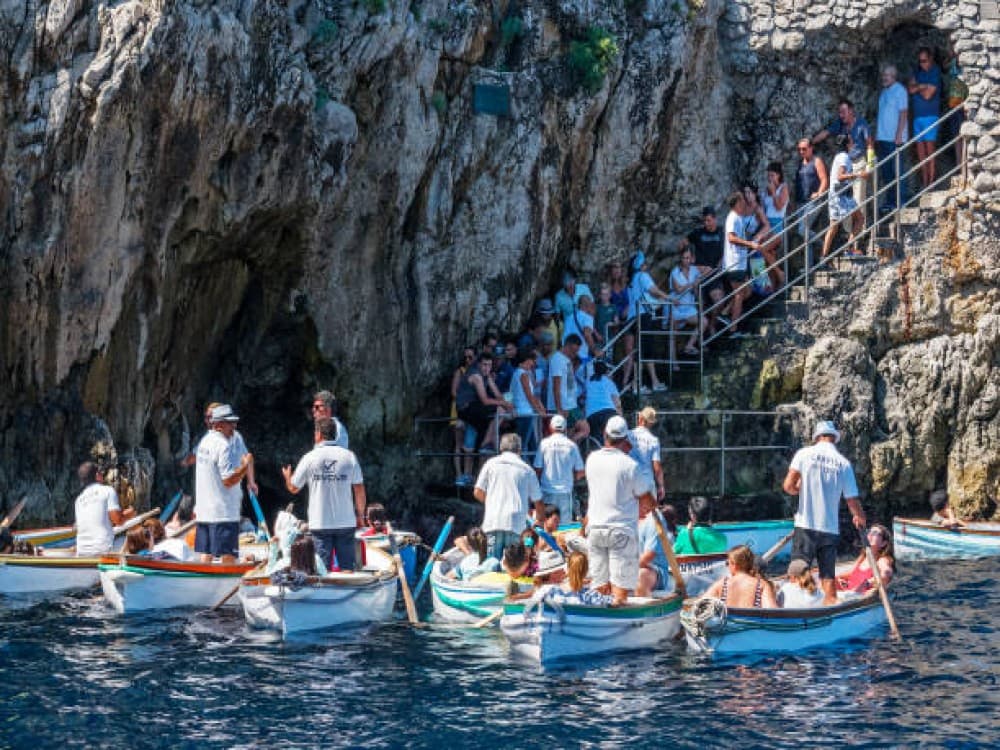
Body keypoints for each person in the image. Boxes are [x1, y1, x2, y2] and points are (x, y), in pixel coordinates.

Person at [782, 419, 866, 605]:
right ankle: (830, 604)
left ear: (817, 437)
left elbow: (788, 486)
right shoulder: (843, 463)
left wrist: (799, 489)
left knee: (798, 570)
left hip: (806, 525)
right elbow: (852, 499)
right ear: (834, 439)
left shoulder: (804, 454)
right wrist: (860, 517)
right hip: (830, 528)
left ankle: (795, 607)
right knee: (828, 575)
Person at [584, 415, 655, 606]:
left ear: (604, 434)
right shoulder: (630, 466)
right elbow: (647, 499)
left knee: (598, 587)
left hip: (596, 528)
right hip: (621, 531)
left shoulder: (591, 459)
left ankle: (597, 623)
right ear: (625, 440)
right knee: (620, 594)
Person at [282, 416, 367, 571]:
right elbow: (359, 489)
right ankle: (348, 592)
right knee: (348, 568)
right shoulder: (349, 456)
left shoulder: (309, 458)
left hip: (320, 523)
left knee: (322, 570)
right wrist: (360, 515)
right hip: (346, 522)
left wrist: (288, 477)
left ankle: (325, 592)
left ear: (318, 434)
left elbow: (293, 488)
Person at [194, 404, 253, 563]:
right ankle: (227, 586)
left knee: (206, 555)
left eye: (234, 422)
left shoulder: (204, 442)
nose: (233, 427)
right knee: (229, 557)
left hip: (204, 512)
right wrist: (244, 467)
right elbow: (228, 481)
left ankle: (202, 587)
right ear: (218, 424)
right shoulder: (223, 446)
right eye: (229, 423)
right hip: (224, 513)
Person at [474, 432, 543, 559]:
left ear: (501, 448)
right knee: (514, 566)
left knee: (490, 565)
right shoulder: (527, 470)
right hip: (516, 524)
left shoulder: (490, 464)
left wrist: (492, 503)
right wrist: (539, 520)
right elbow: (538, 501)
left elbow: (478, 492)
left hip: (492, 521)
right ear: (519, 450)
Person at [455, 352, 513, 477]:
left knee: (501, 410)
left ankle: (487, 442)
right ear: (479, 365)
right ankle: (487, 442)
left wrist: (508, 404)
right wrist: (504, 404)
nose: (487, 368)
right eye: (484, 365)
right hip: (466, 408)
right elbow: (485, 400)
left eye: (489, 365)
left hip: (476, 407)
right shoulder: (476, 376)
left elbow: (497, 394)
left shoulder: (487, 376)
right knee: (500, 410)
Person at [812, 98, 873, 210]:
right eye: (839, 112)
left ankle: (861, 227)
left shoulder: (861, 123)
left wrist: (870, 164)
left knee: (858, 199)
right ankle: (849, 228)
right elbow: (826, 133)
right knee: (844, 199)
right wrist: (812, 142)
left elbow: (869, 143)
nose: (841, 115)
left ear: (851, 111)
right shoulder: (840, 124)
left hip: (859, 162)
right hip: (845, 166)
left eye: (843, 112)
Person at [628, 251, 671, 393]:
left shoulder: (632, 280)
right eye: (644, 263)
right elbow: (654, 290)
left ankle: (651, 382)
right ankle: (640, 385)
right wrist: (670, 299)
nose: (646, 265)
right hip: (644, 316)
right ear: (641, 265)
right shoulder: (642, 276)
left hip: (634, 317)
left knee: (643, 351)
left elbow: (646, 298)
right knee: (646, 350)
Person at [721, 191, 761, 337]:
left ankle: (726, 312)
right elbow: (731, 238)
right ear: (737, 203)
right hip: (735, 263)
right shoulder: (732, 218)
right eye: (742, 200)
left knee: (748, 291)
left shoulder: (738, 217)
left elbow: (750, 214)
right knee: (739, 294)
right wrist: (749, 243)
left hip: (740, 263)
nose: (744, 202)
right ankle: (733, 329)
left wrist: (754, 205)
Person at [822, 133, 868, 258]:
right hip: (842, 194)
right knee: (859, 219)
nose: (853, 143)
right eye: (851, 141)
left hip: (834, 194)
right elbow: (840, 176)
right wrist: (858, 175)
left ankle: (824, 256)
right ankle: (848, 249)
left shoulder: (838, 156)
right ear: (847, 144)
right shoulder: (844, 157)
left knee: (834, 226)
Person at [533, 414, 585, 523]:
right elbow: (580, 472)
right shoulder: (571, 445)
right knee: (563, 528)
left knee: (548, 525)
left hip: (546, 491)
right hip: (565, 492)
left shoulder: (544, 444)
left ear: (550, 427)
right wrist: (570, 479)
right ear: (565, 428)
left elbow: (537, 469)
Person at [74, 461, 132, 557]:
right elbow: (117, 520)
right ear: (97, 475)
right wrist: (130, 514)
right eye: (101, 472)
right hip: (102, 550)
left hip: (81, 551)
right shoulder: (107, 491)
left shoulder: (79, 500)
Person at [876, 64, 909, 211]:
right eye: (883, 75)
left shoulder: (900, 91)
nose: (884, 77)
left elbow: (903, 113)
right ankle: (891, 202)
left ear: (893, 77)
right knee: (887, 172)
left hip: (894, 139)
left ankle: (901, 201)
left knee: (897, 171)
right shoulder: (884, 91)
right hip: (882, 138)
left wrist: (898, 135)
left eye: (887, 75)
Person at [908, 47, 942, 189]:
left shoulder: (935, 72)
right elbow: (910, 89)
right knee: (921, 152)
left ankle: (931, 182)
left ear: (931, 59)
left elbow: (928, 95)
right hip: (918, 118)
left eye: (925, 60)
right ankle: (924, 181)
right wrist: (924, 86)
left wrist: (918, 87)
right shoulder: (917, 72)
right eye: (920, 61)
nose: (923, 64)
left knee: (930, 151)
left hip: (931, 117)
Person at [703, 544, 778, 608]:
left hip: (728, 624)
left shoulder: (722, 584)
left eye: (727, 563)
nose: (727, 566)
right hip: (750, 624)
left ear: (734, 564)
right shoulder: (761, 585)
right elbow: (771, 610)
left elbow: (701, 604)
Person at [794, 139, 830, 263]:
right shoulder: (800, 163)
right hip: (801, 202)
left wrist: (819, 193)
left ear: (811, 148)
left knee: (802, 229)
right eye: (799, 149)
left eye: (804, 149)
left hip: (813, 201)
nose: (801, 152)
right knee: (805, 235)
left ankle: (823, 243)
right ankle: (808, 267)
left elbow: (824, 179)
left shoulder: (817, 161)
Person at [668, 247, 707, 362]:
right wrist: (692, 283)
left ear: (692, 258)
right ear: (681, 259)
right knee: (673, 335)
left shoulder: (694, 270)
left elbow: (709, 270)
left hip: (689, 306)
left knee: (703, 321)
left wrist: (698, 280)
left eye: (689, 258)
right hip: (676, 306)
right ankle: (674, 362)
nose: (687, 260)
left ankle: (689, 345)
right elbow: (678, 289)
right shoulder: (675, 271)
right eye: (685, 258)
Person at [836, 523, 895, 594]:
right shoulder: (863, 556)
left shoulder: (882, 560)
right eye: (869, 531)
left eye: (875, 533)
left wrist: (866, 584)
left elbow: (887, 573)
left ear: (883, 543)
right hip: (848, 590)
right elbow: (851, 573)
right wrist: (838, 578)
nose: (870, 534)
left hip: (858, 597)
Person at [509, 350, 546, 455]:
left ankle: (535, 468)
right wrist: (539, 410)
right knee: (523, 446)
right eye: (532, 360)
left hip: (523, 412)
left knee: (532, 446)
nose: (533, 363)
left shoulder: (516, 374)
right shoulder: (523, 375)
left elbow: (510, 393)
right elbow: (529, 396)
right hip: (525, 413)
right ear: (526, 360)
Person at [450, 346, 477, 486]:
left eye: (470, 357)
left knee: (470, 444)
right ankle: (459, 475)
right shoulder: (460, 372)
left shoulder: (477, 372)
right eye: (465, 357)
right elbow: (454, 392)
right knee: (458, 444)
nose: (467, 360)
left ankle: (468, 473)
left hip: (471, 412)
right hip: (459, 411)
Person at [547, 550, 613, 606]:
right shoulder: (590, 595)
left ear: (568, 566)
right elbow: (615, 602)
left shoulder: (553, 591)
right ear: (586, 570)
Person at [606, 260, 635, 388]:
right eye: (614, 267)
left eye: (619, 268)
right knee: (614, 351)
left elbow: (632, 301)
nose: (617, 270)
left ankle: (625, 380)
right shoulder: (608, 287)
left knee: (628, 349)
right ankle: (613, 379)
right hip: (614, 322)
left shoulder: (627, 286)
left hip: (627, 320)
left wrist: (626, 310)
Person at [759, 162, 788, 289]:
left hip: (777, 225)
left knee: (762, 248)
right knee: (769, 257)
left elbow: (779, 206)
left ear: (778, 175)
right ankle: (773, 288)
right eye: (768, 176)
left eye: (772, 175)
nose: (770, 178)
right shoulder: (767, 191)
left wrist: (774, 192)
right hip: (766, 225)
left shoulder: (783, 188)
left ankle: (780, 273)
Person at [635, 503, 671, 597]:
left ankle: (641, 610)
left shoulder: (655, 518)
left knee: (641, 575)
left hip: (655, 570)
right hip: (630, 567)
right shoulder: (625, 515)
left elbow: (649, 555)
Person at [630, 406, 665, 502]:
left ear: (640, 418)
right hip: (646, 482)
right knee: (649, 516)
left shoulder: (628, 435)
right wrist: (661, 486)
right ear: (651, 423)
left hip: (628, 480)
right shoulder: (654, 440)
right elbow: (657, 468)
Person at [583, 359, 622, 443]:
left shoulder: (587, 381)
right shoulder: (609, 382)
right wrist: (620, 419)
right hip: (608, 413)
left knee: (598, 442)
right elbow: (618, 404)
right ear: (606, 371)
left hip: (591, 416)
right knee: (614, 439)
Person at [546, 334, 582, 421]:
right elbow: (556, 385)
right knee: (584, 428)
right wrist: (559, 409)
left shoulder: (567, 359)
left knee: (579, 429)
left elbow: (569, 383)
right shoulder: (557, 359)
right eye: (574, 351)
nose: (575, 354)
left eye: (577, 351)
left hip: (571, 404)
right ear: (567, 346)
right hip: (563, 406)